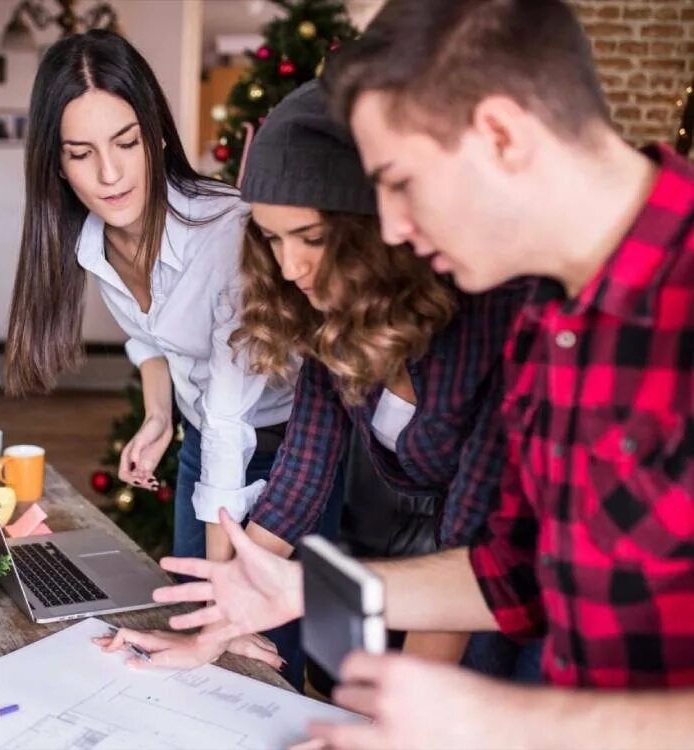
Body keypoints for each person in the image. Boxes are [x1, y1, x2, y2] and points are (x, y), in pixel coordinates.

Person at [153, 0, 694, 747]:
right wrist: (293, 588)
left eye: (400, 183)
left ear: (500, 133)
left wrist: (501, 721)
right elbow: (510, 571)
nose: (395, 228)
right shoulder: (547, 314)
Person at [101, 79, 533, 680]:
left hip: (523, 585)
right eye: (272, 239)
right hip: (432, 563)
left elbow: (474, 551)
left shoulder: (487, 321)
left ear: (381, 227)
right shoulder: (331, 311)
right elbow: (303, 470)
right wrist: (221, 621)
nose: (288, 266)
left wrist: (397, 721)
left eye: (313, 238)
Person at [3, 27, 313, 687]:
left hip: (291, 449)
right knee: (195, 620)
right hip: (207, 437)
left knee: (256, 645)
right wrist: (157, 415)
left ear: (157, 135)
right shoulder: (91, 245)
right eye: (82, 154)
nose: (110, 175)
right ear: (56, 164)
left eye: (126, 142)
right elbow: (149, 338)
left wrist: (228, 598)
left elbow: (233, 416)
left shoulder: (227, 234)